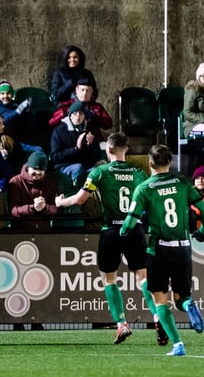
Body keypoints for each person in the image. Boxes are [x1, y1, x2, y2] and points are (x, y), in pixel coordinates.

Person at [55, 133, 166, 346]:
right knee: (143, 277)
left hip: (111, 230)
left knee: (109, 279)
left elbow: (79, 200)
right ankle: (156, 315)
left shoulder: (100, 172)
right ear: (127, 150)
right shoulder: (139, 173)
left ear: (108, 150)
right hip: (134, 229)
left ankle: (121, 323)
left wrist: (60, 202)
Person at [120, 144, 204, 357]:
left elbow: (130, 221)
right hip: (183, 248)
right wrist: (203, 230)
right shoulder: (182, 182)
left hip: (158, 249)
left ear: (150, 164)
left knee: (160, 299)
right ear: (170, 162)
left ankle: (178, 345)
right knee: (181, 299)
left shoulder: (144, 188)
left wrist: (123, 232)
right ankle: (189, 306)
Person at [49, 101, 102, 184]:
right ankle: (78, 193)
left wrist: (91, 145)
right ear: (70, 116)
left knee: (98, 171)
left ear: (84, 116)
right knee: (77, 168)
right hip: (64, 166)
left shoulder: (88, 130)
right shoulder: (59, 131)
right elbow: (55, 157)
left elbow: (96, 157)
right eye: (75, 113)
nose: (78, 117)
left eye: (81, 114)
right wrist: (76, 148)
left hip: (85, 165)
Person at [48, 75, 113, 141]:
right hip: (70, 141)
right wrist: (65, 114)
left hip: (93, 141)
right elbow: (51, 122)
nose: (85, 93)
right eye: (82, 90)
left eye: (88, 90)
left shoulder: (97, 107)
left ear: (92, 92)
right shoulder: (66, 105)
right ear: (77, 90)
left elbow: (108, 124)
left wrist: (96, 117)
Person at [7, 150, 59, 233]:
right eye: (34, 169)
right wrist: (32, 208)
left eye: (41, 170)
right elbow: (14, 210)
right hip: (21, 232)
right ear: (28, 167)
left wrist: (44, 207)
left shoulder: (50, 183)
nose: (37, 172)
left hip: (43, 231)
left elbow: (56, 209)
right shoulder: (15, 182)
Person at [182, 61, 204, 138]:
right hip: (192, 125)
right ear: (198, 77)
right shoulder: (192, 91)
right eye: (203, 76)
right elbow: (187, 113)